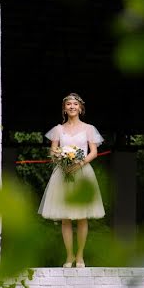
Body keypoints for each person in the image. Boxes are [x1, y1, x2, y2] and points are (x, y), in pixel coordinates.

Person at [38, 93, 105, 267]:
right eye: (69, 104)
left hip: (82, 172)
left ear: (80, 108)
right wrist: (61, 159)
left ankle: (80, 256)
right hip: (63, 173)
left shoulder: (89, 128)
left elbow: (94, 152)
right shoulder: (58, 130)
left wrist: (79, 162)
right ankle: (69, 256)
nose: (72, 107)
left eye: (75, 104)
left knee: (82, 216)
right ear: (64, 109)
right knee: (65, 217)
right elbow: (53, 151)